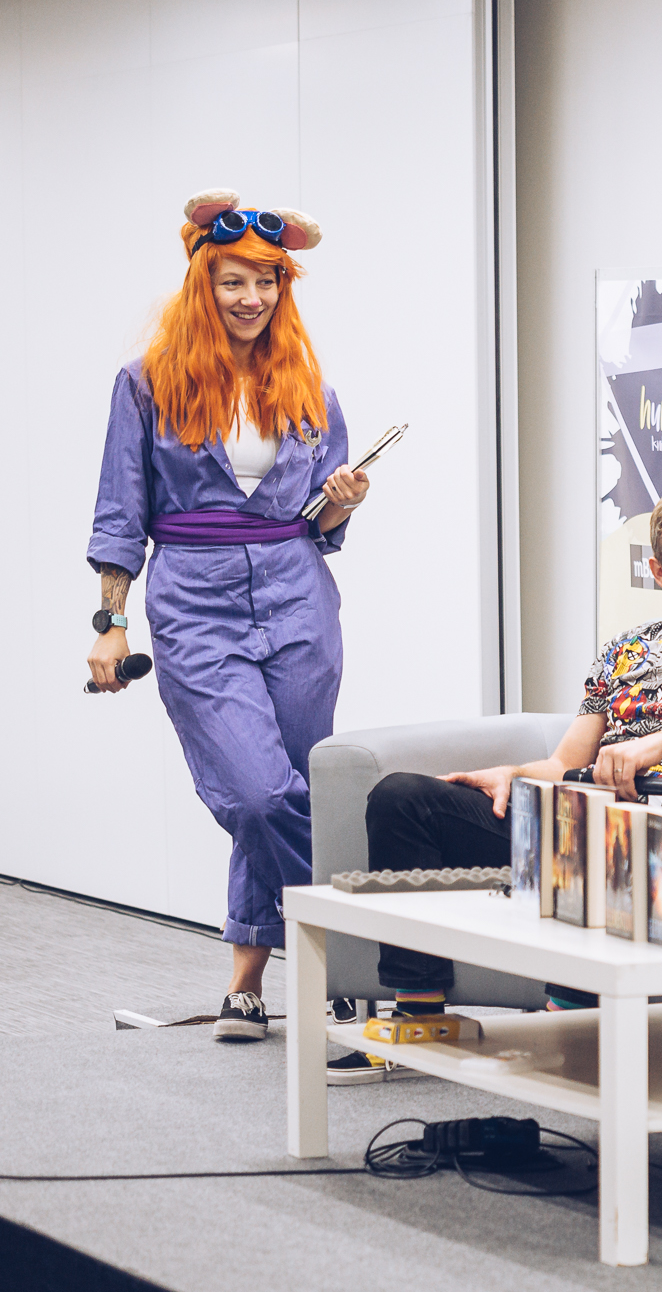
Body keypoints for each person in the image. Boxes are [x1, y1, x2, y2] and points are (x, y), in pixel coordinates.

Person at [338, 488, 662, 1080]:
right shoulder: (625, 652)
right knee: (404, 799)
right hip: (576, 818)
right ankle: (418, 1015)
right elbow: (566, 761)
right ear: (660, 573)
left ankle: (567, 1022)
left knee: (597, 840)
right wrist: (513, 774)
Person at [88, 190, 371, 1043]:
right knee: (256, 792)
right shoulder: (145, 384)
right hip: (194, 600)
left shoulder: (310, 387)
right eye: (233, 282)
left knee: (291, 782)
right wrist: (109, 621)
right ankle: (364, 950)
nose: (252, 298)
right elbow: (120, 513)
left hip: (297, 597)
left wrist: (343, 499)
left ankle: (246, 984)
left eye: (267, 282)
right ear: (201, 286)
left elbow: (321, 524)